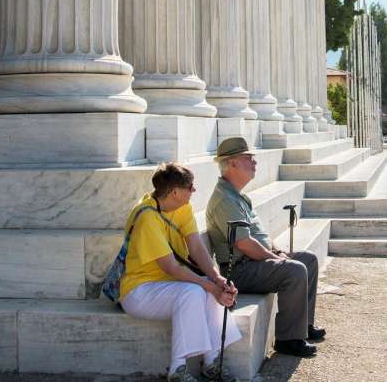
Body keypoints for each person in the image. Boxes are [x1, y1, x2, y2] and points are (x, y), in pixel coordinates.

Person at [118, 163, 242, 382]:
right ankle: (177, 370)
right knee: (195, 291)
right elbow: (171, 267)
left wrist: (217, 279)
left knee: (207, 286)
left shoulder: (181, 206)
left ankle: (211, 361)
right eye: (190, 187)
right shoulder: (146, 216)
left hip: (168, 285)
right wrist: (209, 286)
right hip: (138, 291)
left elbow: (195, 246)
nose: (194, 191)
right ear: (175, 192)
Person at [206, 136, 325, 358]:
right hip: (240, 270)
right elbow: (244, 244)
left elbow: (259, 236)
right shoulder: (225, 200)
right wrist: (275, 257)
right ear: (231, 163)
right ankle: (288, 340)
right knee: (295, 269)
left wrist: (276, 251)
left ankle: (303, 327)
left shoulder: (236, 195)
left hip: (255, 261)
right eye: (248, 158)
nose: (255, 162)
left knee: (308, 259)